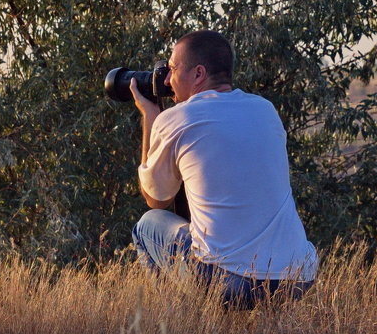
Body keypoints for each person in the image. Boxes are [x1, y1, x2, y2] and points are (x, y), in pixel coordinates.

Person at [128, 29, 317, 308]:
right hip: (298, 277)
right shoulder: (265, 109)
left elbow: (156, 198)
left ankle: (179, 330)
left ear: (198, 73)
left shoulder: (175, 119)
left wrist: (151, 119)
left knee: (147, 226)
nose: (167, 80)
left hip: (230, 284)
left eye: (171, 69)